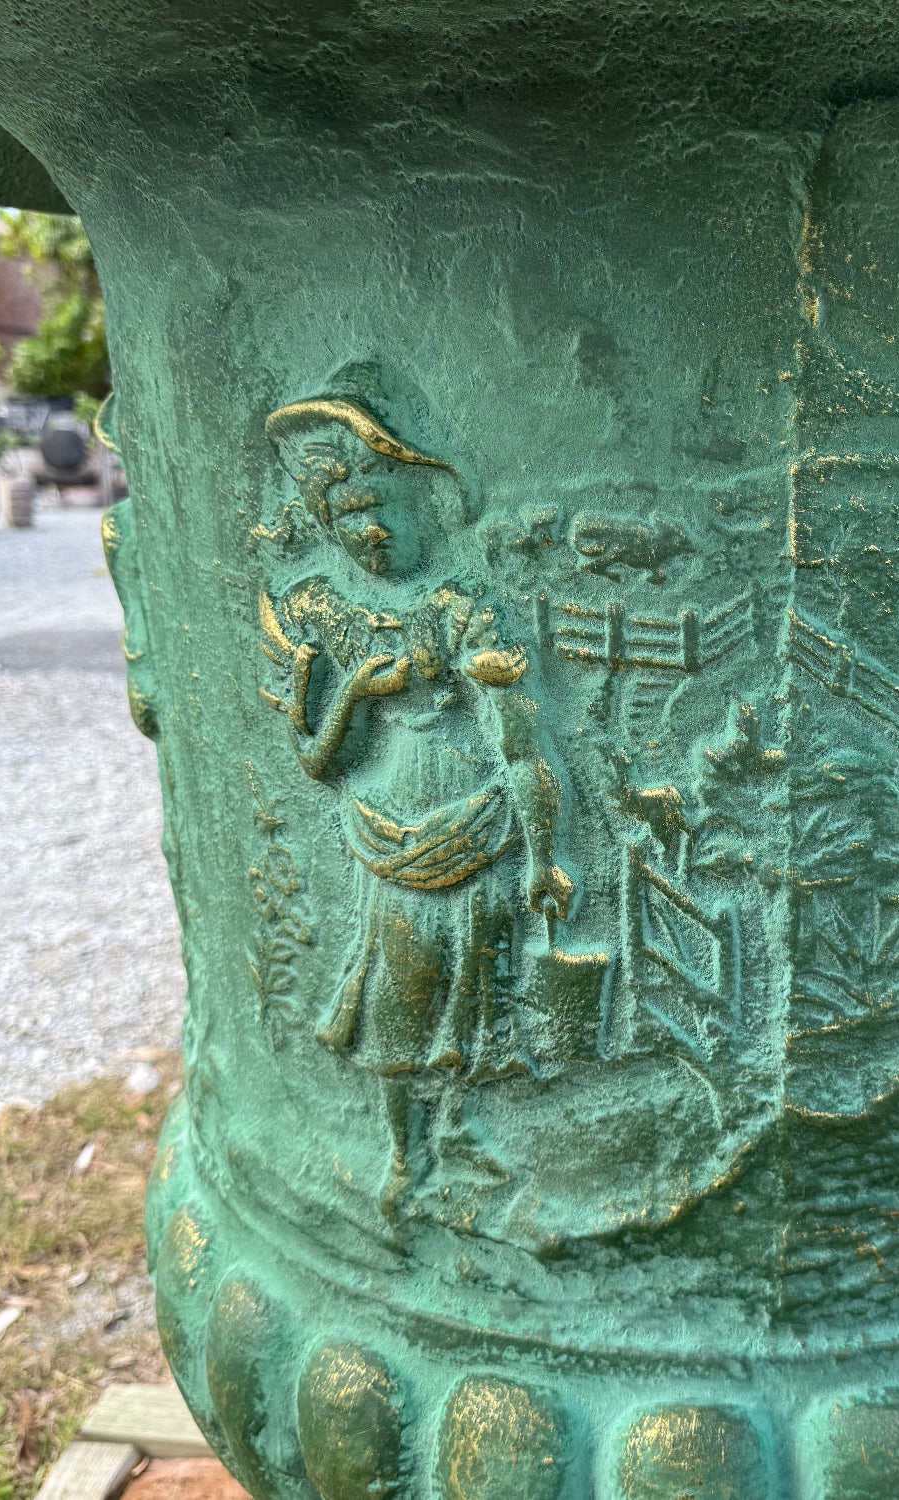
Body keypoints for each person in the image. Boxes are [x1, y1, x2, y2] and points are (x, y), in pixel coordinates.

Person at [257, 395, 574, 1218]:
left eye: (383, 508)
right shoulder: (321, 614)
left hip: (471, 824)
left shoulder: (460, 612)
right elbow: (317, 760)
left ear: (419, 505)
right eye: (350, 517)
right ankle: (405, 1155)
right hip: (388, 834)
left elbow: (517, 744)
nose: (370, 532)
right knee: (397, 1007)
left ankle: (469, 1139)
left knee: (479, 993)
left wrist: (543, 854)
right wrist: (354, 694)